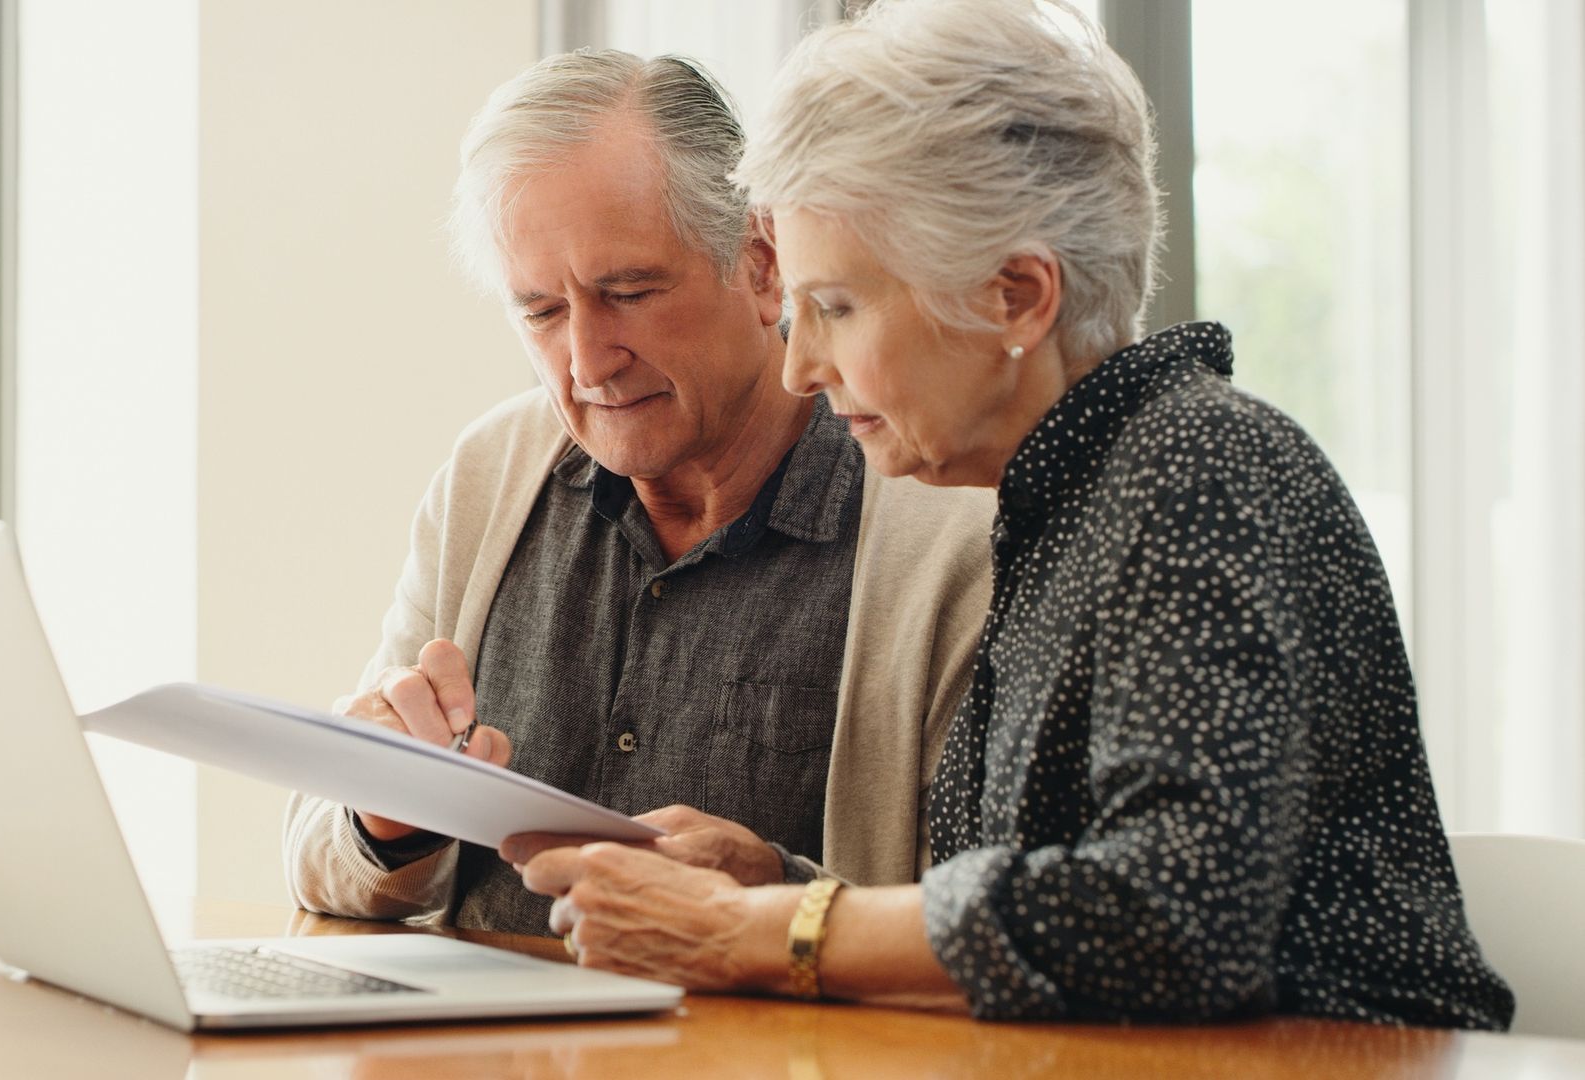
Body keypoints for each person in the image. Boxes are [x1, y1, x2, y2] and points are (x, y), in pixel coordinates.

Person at [509, 0, 1514, 1029]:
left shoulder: (1202, 470)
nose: (802, 367)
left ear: (1016, 296)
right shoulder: (1067, 503)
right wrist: (778, 888)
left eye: (839, 308)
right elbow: (1025, 917)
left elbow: (1171, 918)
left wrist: (753, 931)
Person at [281, 49, 995, 934]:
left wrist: (779, 896)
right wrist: (385, 818)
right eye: (540, 311)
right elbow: (315, 853)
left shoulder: (942, 530)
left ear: (762, 262)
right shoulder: (491, 475)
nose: (585, 361)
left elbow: (988, 923)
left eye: (627, 292)